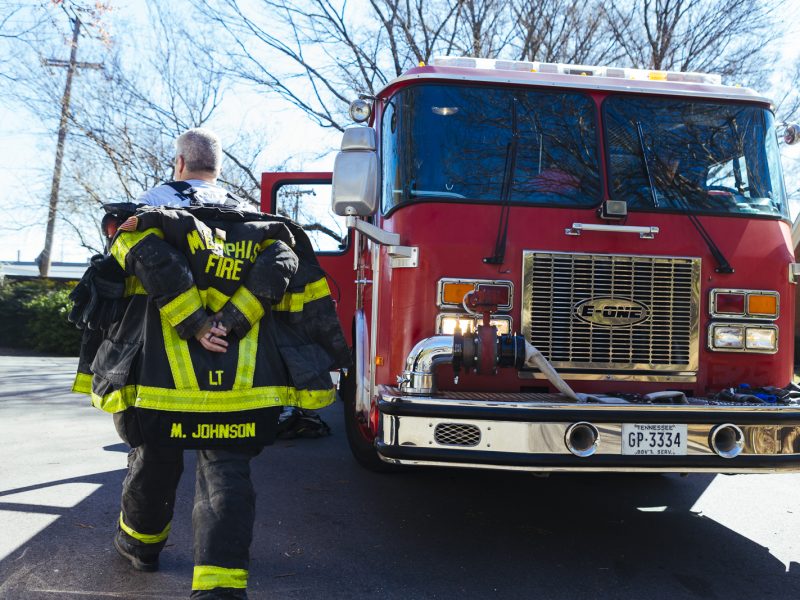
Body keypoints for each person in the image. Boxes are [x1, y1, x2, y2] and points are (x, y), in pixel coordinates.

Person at [71, 128, 350, 599]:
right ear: (216, 170)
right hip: (241, 390)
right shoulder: (256, 226)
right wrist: (234, 321)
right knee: (227, 473)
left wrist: (196, 323)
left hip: (155, 386)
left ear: (178, 164)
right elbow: (282, 265)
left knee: (152, 460)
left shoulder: (141, 219)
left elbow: (150, 260)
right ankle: (220, 585)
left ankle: (141, 547)